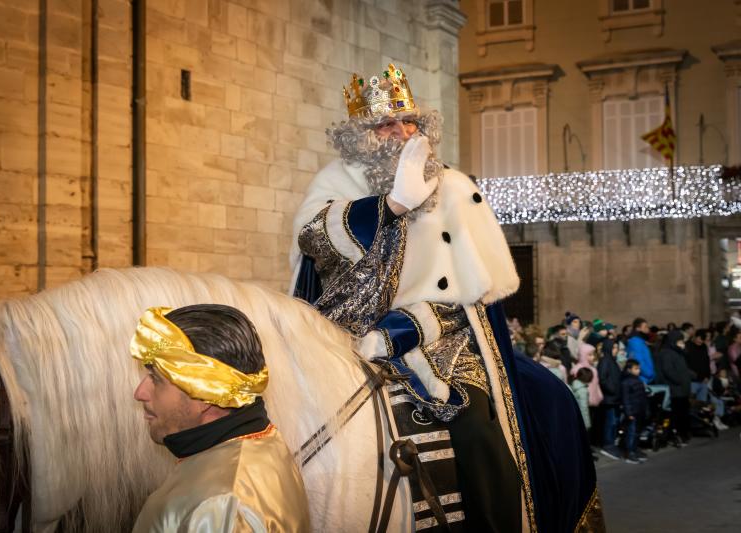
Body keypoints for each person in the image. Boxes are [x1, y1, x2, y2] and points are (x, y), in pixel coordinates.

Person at [291, 64, 603, 532]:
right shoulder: (336, 182)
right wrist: (390, 206)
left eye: (407, 121)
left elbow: (469, 295)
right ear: (360, 136)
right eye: (384, 124)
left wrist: (401, 332)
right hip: (346, 334)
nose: (399, 132)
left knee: (480, 424)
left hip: (440, 341)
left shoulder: (455, 187)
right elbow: (312, 238)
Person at [130, 305, 311, 532]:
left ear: (206, 391)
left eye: (156, 379)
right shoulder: (261, 443)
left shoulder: (223, 507)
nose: (140, 393)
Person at [658, 330, 694, 445]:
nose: (682, 343)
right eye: (679, 341)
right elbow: (668, 370)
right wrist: (679, 380)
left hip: (682, 389)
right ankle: (677, 434)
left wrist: (691, 375)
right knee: (677, 414)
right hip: (675, 389)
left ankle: (684, 433)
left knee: (683, 412)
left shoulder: (678, 352)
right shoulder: (667, 353)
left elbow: (682, 368)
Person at [598, 339, 622, 460]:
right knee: (610, 423)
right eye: (614, 348)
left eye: (616, 347)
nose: (616, 350)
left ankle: (612, 443)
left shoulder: (613, 361)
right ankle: (608, 445)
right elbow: (603, 379)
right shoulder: (605, 361)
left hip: (615, 398)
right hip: (609, 398)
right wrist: (612, 390)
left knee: (614, 422)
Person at [621, 359, 647, 464]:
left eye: (639, 368)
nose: (638, 371)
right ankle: (629, 452)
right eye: (636, 368)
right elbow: (626, 399)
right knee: (631, 432)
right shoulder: (626, 382)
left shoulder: (638, 380)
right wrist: (629, 413)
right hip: (633, 412)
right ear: (629, 369)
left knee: (637, 432)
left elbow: (643, 397)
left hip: (640, 410)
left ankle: (635, 449)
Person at [686, 329, 711, 402]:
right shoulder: (687, 346)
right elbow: (685, 365)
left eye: (703, 340)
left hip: (704, 381)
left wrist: (707, 376)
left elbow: (706, 362)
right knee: (691, 403)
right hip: (692, 381)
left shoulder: (704, 347)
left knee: (702, 404)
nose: (701, 341)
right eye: (699, 338)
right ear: (695, 336)